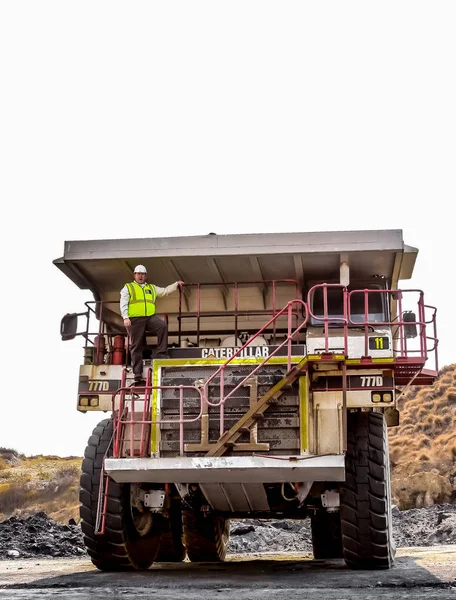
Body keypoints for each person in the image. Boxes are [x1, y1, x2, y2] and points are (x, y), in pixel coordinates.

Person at [120, 265, 183, 385]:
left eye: (142, 274)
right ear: (134, 275)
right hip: (135, 319)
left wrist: (175, 284)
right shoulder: (128, 287)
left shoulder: (151, 288)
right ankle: (137, 373)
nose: (140, 276)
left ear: (145, 275)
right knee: (136, 345)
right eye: (138, 274)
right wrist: (125, 317)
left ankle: (161, 354)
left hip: (149, 317)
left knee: (162, 326)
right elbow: (123, 303)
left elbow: (164, 291)